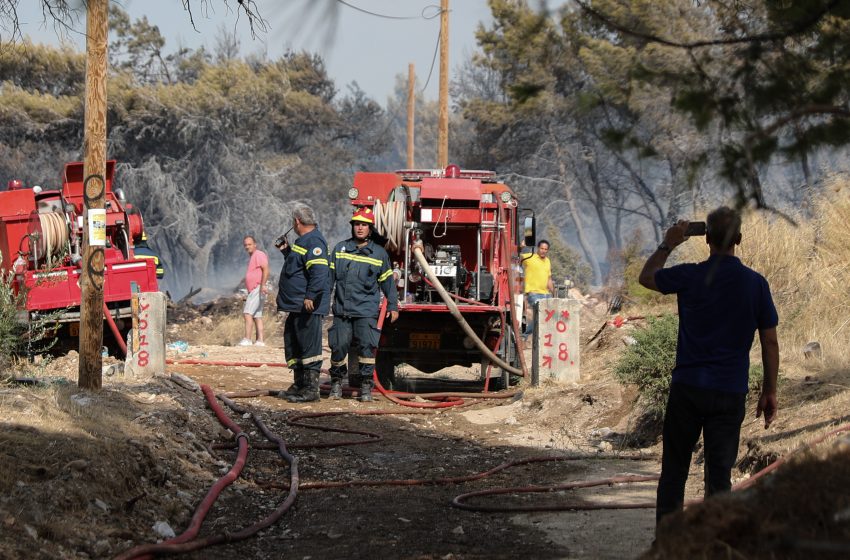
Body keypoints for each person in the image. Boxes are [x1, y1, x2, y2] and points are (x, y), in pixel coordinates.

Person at [638, 206, 779, 529]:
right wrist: (769, 391)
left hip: (687, 387)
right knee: (719, 476)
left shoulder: (689, 275)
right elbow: (770, 342)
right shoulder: (756, 284)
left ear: (706, 240)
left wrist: (668, 244)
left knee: (674, 471)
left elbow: (646, 278)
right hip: (730, 391)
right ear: (739, 240)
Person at [328, 207, 399, 402]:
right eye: (357, 224)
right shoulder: (340, 249)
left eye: (364, 225)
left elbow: (388, 283)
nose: (360, 228)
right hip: (342, 311)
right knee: (338, 347)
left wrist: (393, 305)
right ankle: (336, 383)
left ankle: (366, 387)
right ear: (352, 226)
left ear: (370, 228)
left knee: (367, 349)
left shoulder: (379, 254)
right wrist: (321, 303)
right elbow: (329, 279)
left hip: (366, 312)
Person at [276, 204, 331, 403]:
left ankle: (311, 389)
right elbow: (298, 267)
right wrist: (286, 251)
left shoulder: (314, 241)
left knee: (309, 346)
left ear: (297, 221)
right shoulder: (303, 241)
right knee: (293, 343)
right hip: (296, 306)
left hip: (307, 304)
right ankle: (299, 384)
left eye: (293, 221)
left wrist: (311, 296)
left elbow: (319, 272)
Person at [239, 235, 269, 347]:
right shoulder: (252, 257)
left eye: (249, 244)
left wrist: (263, 285)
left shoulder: (259, 254)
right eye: (245, 245)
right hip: (254, 289)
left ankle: (247, 339)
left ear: (255, 244)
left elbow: (266, 269)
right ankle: (260, 341)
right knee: (257, 315)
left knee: (247, 313)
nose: (247, 247)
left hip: (258, 287)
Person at [521, 239, 554, 336]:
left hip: (546, 294)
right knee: (541, 315)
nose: (543, 250)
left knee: (550, 316)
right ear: (537, 248)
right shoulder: (529, 257)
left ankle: (545, 339)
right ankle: (524, 335)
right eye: (541, 248)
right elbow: (515, 257)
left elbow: (549, 279)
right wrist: (521, 247)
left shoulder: (548, 261)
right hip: (533, 293)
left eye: (545, 249)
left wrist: (554, 293)